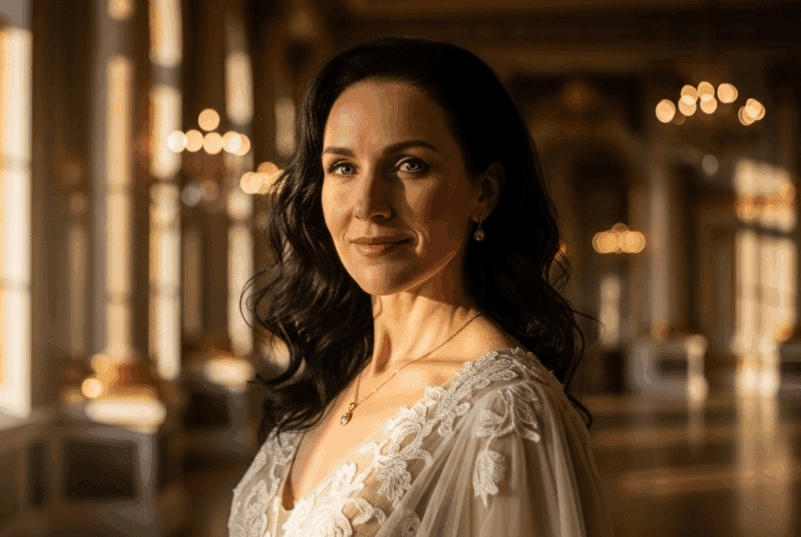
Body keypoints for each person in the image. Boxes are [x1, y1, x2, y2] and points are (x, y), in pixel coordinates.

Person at [229, 36, 615, 537]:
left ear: (484, 192)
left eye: (410, 165)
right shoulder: (336, 374)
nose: (368, 204)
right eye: (343, 167)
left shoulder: (506, 411)